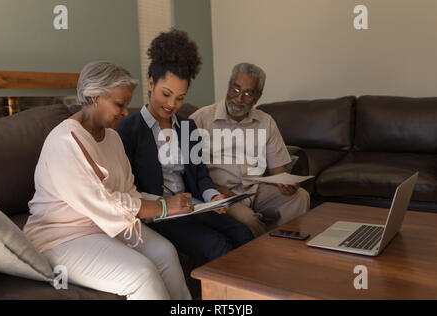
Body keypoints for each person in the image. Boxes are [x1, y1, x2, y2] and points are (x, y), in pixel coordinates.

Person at [23, 61, 192, 300]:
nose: (125, 112)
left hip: (105, 226)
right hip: (62, 237)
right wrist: (162, 206)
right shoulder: (66, 141)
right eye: (119, 104)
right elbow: (102, 202)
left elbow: (127, 188)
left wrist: (161, 206)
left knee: (165, 251)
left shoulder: (112, 137)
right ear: (94, 97)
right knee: (141, 274)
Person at [116, 29, 253, 263]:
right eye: (166, 94)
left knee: (243, 233)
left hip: (195, 206)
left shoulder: (188, 127)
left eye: (180, 97)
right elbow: (126, 189)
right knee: (217, 246)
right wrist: (164, 205)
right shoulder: (129, 130)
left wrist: (213, 198)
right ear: (151, 84)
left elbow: (200, 176)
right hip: (162, 214)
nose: (172, 104)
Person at [190, 62, 310, 237]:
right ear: (229, 85)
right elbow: (190, 173)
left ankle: (285, 248)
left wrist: (286, 183)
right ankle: (265, 253)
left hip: (256, 189)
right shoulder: (200, 119)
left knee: (300, 197)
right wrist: (215, 190)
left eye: (247, 94)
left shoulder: (266, 122)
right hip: (221, 193)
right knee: (247, 220)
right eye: (235, 89)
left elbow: (279, 170)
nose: (238, 98)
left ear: (258, 97)